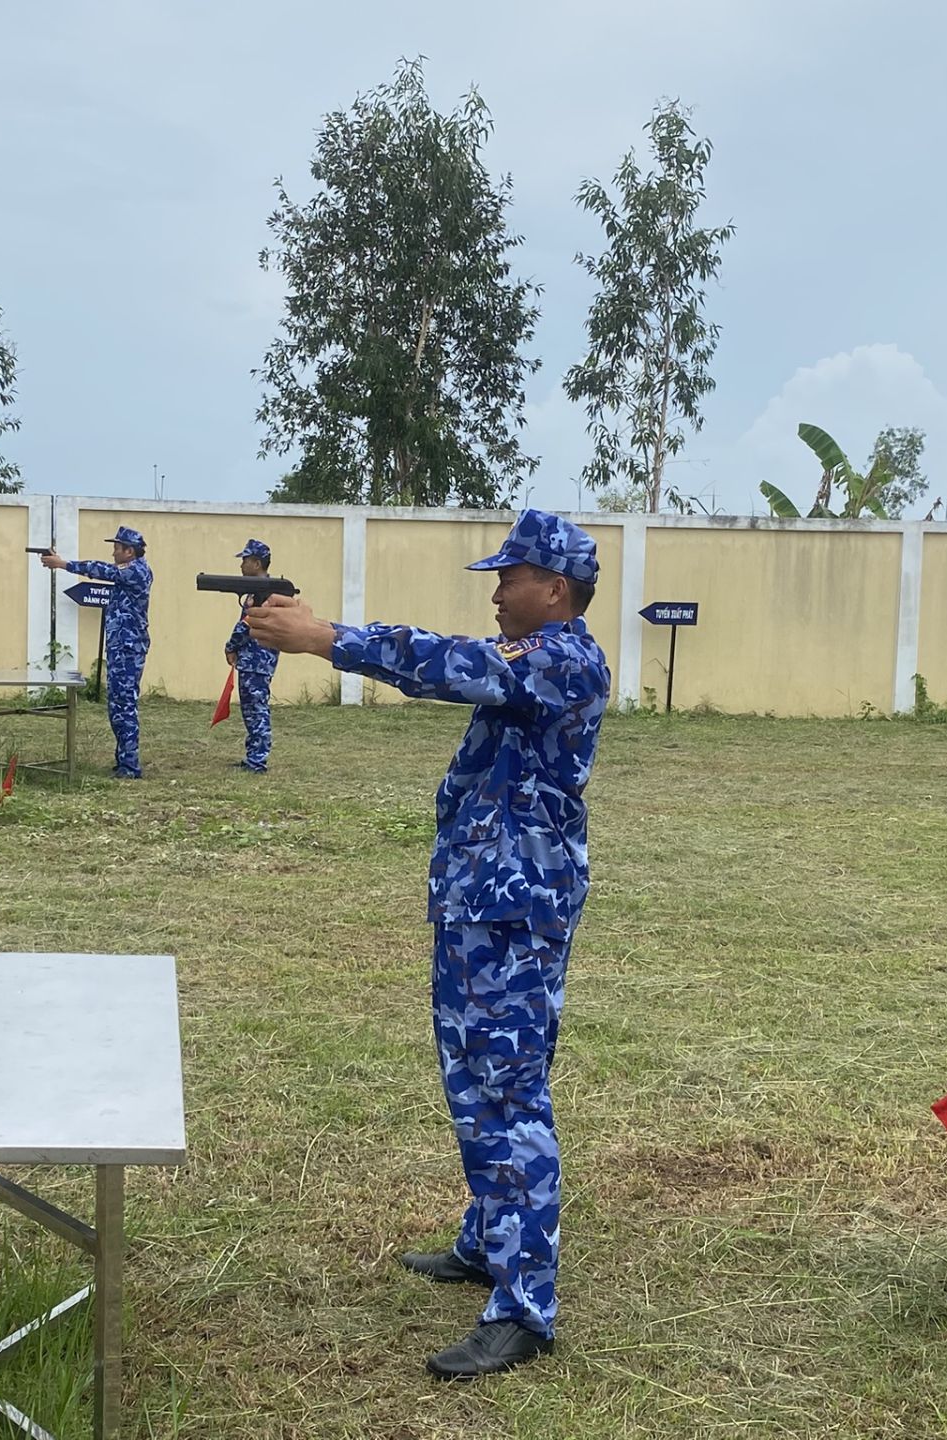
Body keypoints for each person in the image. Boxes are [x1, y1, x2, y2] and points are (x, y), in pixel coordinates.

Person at [242, 509, 610, 1380]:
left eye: (510, 577)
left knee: (509, 1091)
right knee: (472, 1078)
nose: (496, 592)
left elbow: (454, 664)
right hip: (483, 906)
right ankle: (488, 1239)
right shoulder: (537, 659)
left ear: (554, 589)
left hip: (512, 914)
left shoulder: (563, 658)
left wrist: (326, 637)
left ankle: (524, 1305)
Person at [41, 526, 152, 778]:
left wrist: (63, 564)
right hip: (122, 646)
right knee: (117, 704)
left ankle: (130, 765)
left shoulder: (136, 570)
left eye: (117, 548)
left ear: (129, 551)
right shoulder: (130, 570)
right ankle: (124, 759)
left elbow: (101, 570)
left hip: (128, 647)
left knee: (124, 705)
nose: (113, 553)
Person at [223, 539, 279, 773]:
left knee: (256, 710)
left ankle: (257, 760)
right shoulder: (261, 591)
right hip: (257, 659)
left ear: (257, 563)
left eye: (245, 560)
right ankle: (254, 756)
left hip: (257, 659)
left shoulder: (261, 593)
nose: (241, 565)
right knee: (252, 709)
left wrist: (230, 646)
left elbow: (246, 625)